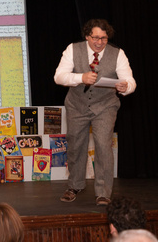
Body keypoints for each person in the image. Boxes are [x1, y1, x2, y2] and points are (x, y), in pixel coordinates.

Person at [54, 19, 136, 206]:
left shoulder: (118, 54)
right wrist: (80, 77)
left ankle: (103, 193)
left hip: (105, 106)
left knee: (103, 146)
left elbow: (130, 81)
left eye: (104, 38)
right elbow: (58, 76)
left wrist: (125, 86)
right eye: (95, 38)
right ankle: (74, 185)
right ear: (87, 36)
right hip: (77, 105)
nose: (99, 42)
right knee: (75, 145)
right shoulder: (73, 49)